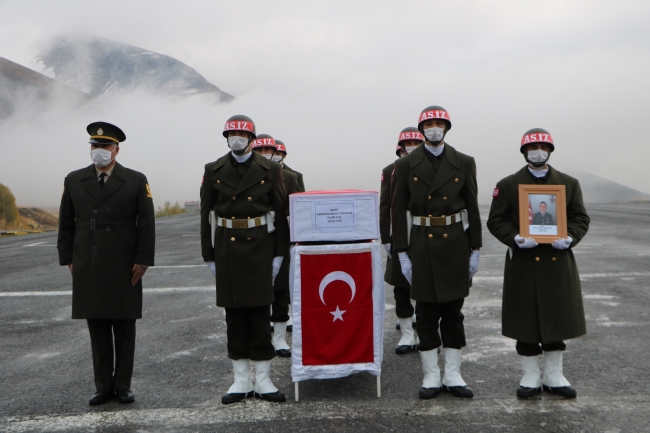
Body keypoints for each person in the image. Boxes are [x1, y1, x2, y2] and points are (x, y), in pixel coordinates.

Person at [487, 128, 590, 399]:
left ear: (550, 150)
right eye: (533, 148)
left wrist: (570, 237)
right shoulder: (508, 184)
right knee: (526, 318)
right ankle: (530, 375)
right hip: (524, 261)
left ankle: (555, 375)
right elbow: (496, 220)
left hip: (557, 262)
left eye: (544, 147)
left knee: (557, 317)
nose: (538, 151)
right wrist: (515, 237)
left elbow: (580, 218)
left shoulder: (569, 183)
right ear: (524, 152)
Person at [57, 122, 155, 405]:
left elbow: (146, 224)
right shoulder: (74, 180)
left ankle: (123, 385)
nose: (99, 151)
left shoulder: (135, 180)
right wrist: (69, 259)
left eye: (104, 146)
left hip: (124, 262)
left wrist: (143, 260)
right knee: (97, 326)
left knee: (124, 326)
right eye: (95, 146)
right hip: (88, 261)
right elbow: (65, 223)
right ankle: (103, 386)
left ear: (116, 150)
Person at [391, 106, 482, 399]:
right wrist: (401, 253)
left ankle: (453, 374)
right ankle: (431, 375)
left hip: (455, 242)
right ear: (421, 130)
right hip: (421, 242)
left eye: (438, 123)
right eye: (428, 124)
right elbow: (397, 211)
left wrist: (475, 248)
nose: (433, 128)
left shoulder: (464, 162)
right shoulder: (406, 166)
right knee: (427, 313)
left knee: (453, 313)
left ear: (446, 127)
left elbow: (473, 207)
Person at [200, 115, 290, 404]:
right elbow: (205, 215)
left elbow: (281, 213)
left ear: (251, 139)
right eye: (231, 134)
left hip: (261, 246)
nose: (236, 138)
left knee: (260, 316)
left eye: (241, 134)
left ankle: (263, 379)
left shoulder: (271, 168)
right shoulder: (213, 169)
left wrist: (279, 253)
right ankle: (240, 380)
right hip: (227, 247)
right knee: (234, 316)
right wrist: (209, 254)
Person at [251, 134, 300, 357]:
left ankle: (279, 338)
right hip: (254, 240)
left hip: (281, 238)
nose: (265, 154)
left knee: (280, 290)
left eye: (268, 150)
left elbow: (298, 206)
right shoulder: (247, 175)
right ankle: (259, 337)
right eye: (259, 150)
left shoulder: (290, 176)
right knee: (257, 292)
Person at [380, 127, 423, 354]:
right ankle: (407, 332)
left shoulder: (429, 168)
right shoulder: (391, 170)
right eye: (409, 144)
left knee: (426, 284)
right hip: (399, 231)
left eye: (417, 143)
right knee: (401, 284)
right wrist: (386, 239)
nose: (413, 148)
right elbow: (385, 206)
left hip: (424, 230)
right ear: (400, 147)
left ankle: (425, 330)